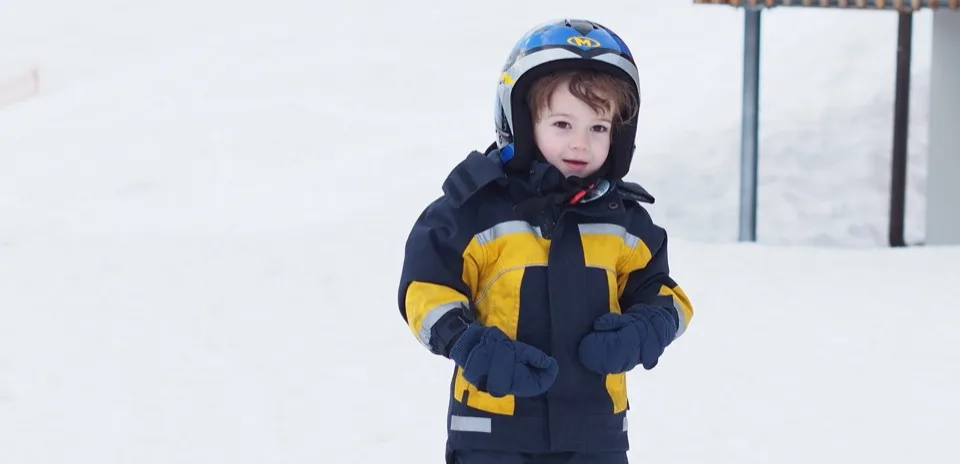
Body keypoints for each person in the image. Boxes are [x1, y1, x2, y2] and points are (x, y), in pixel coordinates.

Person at [397, 18, 694, 464]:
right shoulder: (474, 211)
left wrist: (645, 328)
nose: (580, 143)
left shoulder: (626, 222)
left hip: (595, 435)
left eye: (598, 128)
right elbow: (425, 289)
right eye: (561, 123)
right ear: (520, 120)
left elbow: (666, 296)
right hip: (492, 431)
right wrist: (469, 342)